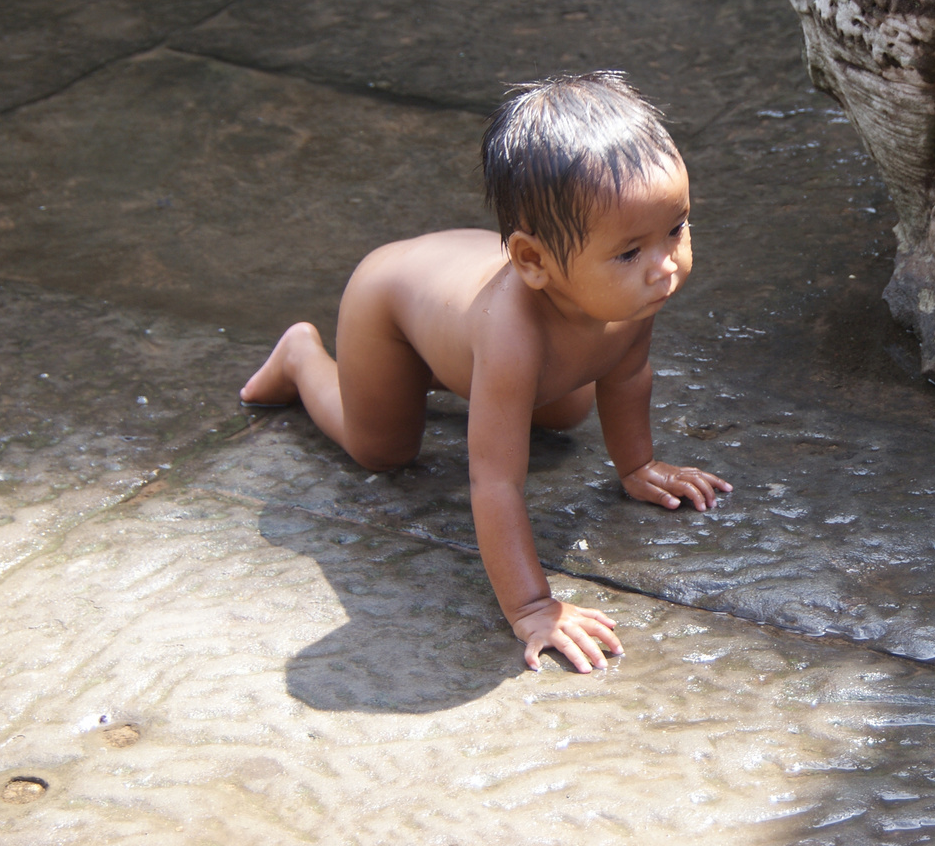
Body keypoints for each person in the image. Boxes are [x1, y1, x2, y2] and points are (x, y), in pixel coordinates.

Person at [240, 71, 732, 673]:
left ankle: (433, 376)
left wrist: (638, 466)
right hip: (389, 307)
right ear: (534, 260)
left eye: (676, 229)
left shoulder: (633, 291)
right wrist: (533, 605)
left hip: (460, 313)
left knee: (565, 411)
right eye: (630, 251)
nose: (665, 268)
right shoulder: (511, 337)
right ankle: (302, 358)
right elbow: (495, 484)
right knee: (384, 449)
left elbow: (627, 375)